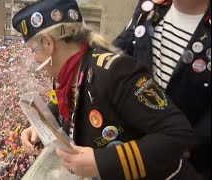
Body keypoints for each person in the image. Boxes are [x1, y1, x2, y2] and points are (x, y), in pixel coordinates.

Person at [12, 0, 200, 179]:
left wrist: (101, 162)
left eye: (33, 50)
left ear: (48, 43)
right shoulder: (66, 75)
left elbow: (178, 134)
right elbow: (72, 107)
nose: (34, 58)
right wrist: (42, 126)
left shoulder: (115, 72)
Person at [113, 0, 211, 179]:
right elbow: (121, 50)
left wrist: (187, 144)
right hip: (133, 143)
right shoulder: (151, 6)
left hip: (183, 161)